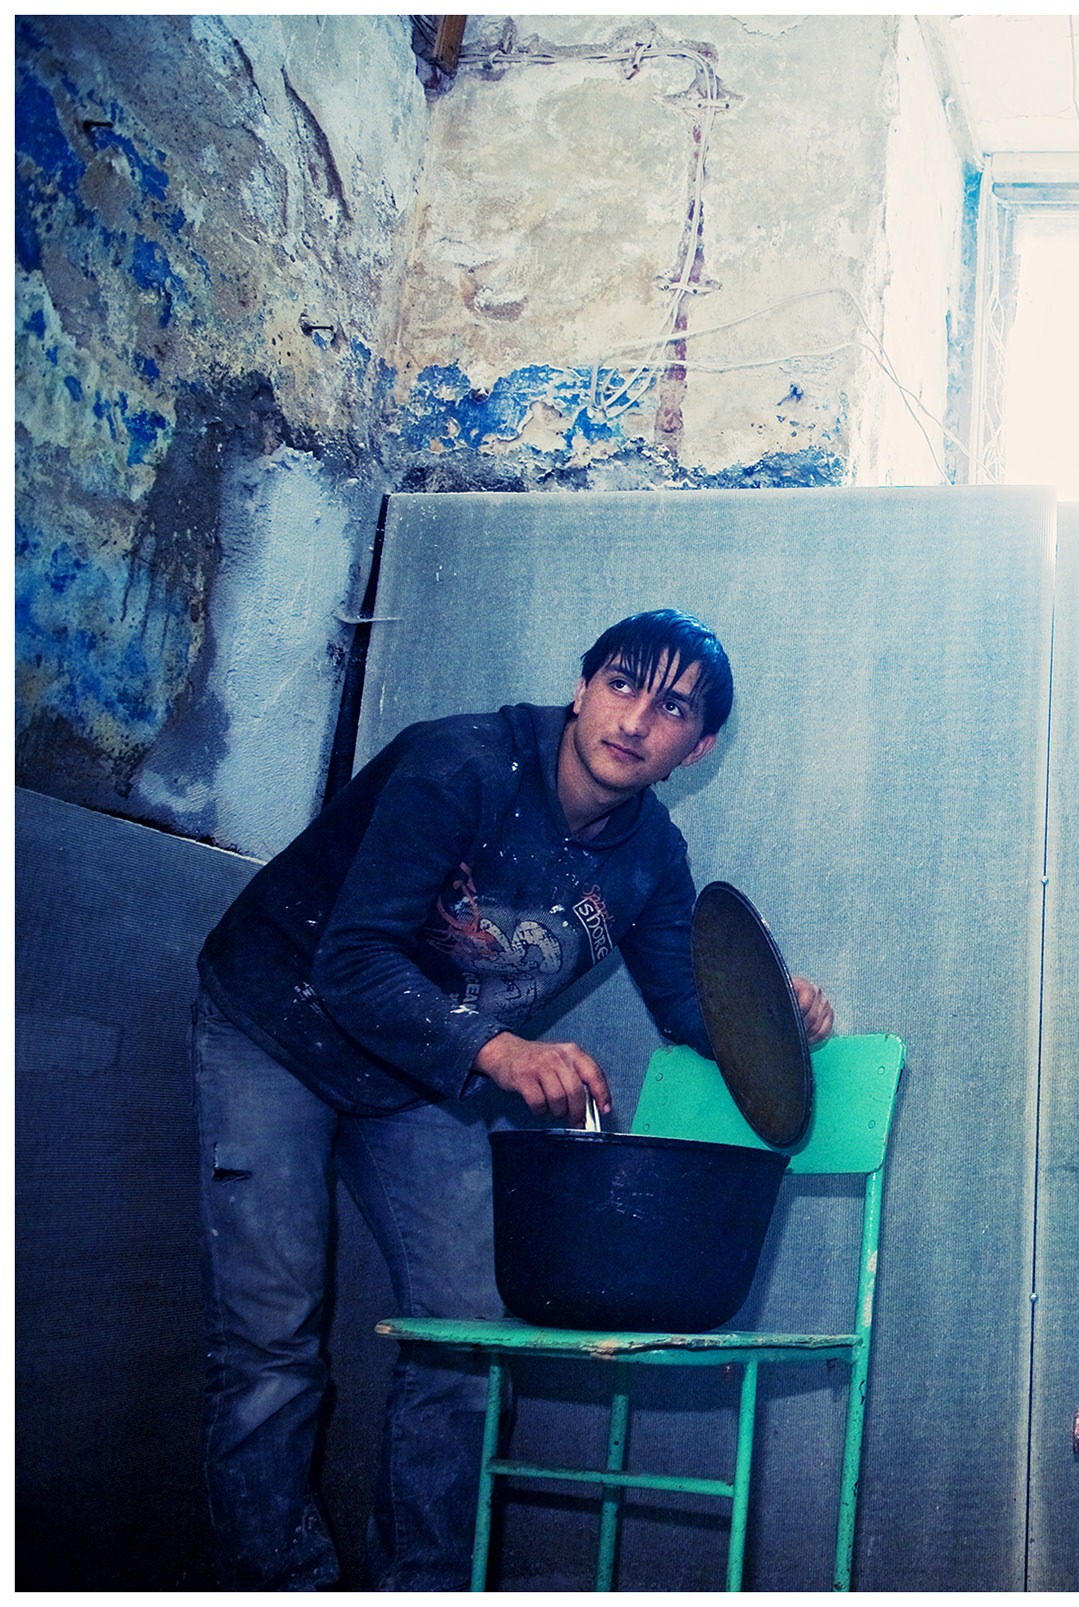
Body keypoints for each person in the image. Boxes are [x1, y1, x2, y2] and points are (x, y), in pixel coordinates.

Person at [190, 608, 831, 1589]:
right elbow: (353, 958)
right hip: (280, 1020)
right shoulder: (460, 765)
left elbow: (688, 1010)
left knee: (466, 1331)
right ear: (582, 687)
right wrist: (497, 1047)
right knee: (273, 1338)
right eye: (622, 682)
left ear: (694, 748)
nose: (635, 718)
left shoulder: (653, 856)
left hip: (415, 1072)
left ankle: (430, 1584)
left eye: (672, 708)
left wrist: (771, 1014)